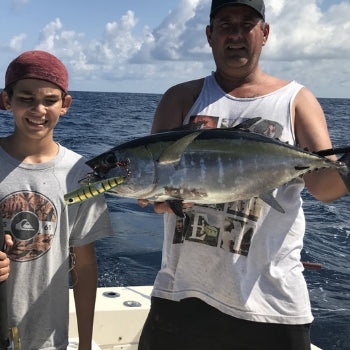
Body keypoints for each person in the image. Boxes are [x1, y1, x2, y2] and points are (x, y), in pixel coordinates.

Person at [138, 1, 349, 349]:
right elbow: (158, 191)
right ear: (209, 34)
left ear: (264, 33)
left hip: (271, 305)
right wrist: (161, 200)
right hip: (182, 295)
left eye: (246, 24)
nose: (235, 34)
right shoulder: (180, 98)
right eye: (225, 24)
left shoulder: (296, 100)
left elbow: (325, 187)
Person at [0, 50, 114, 350]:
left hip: (49, 339)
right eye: (26, 98)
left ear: (65, 105)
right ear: (6, 100)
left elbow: (85, 265)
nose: (38, 109)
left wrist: (86, 343)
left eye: (50, 100)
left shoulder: (80, 174)